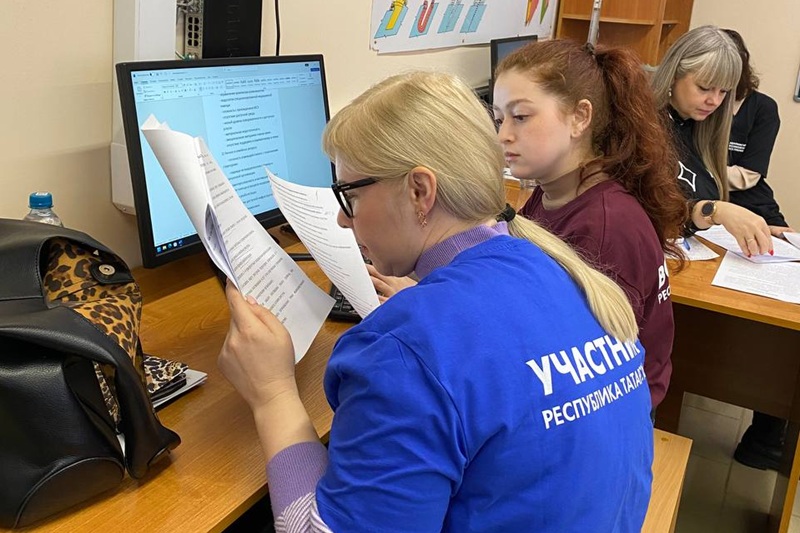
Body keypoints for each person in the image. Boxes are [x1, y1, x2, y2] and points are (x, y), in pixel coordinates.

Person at [218, 71, 654, 532]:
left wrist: (272, 394)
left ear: (419, 191)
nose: (344, 221)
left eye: (350, 195)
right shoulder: (563, 270)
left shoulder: (404, 352)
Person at [490, 38, 687, 413]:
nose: (503, 136)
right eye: (500, 119)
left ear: (580, 117)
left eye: (521, 117)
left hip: (610, 411)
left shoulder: (604, 227)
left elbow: (574, 364)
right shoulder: (555, 191)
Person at [723, 28, 791, 472]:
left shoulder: (762, 108)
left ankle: (769, 432)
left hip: (754, 210)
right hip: (708, 212)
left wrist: (702, 173)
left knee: (778, 316)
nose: (712, 95)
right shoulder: (693, 108)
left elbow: (749, 174)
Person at [651, 25, 773, 258]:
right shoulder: (644, 127)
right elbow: (656, 210)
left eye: (723, 92)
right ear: (674, 75)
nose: (714, 101)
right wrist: (715, 211)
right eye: (704, 88)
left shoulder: (701, 130)